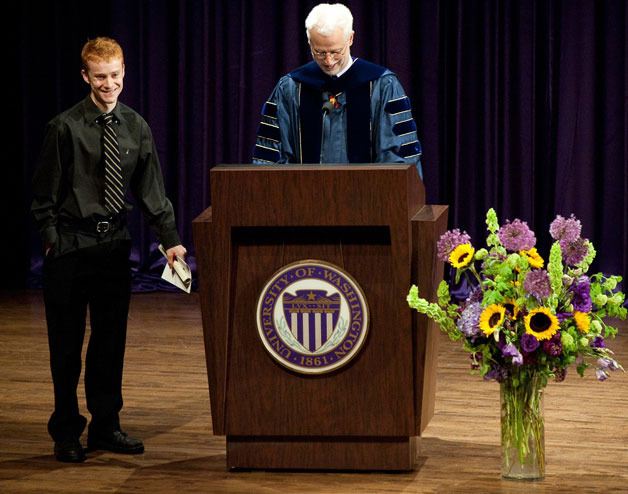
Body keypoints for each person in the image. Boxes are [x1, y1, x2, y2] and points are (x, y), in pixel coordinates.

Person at [31, 37, 187, 463]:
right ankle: (66, 431)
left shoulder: (135, 126)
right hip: (70, 247)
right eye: (100, 77)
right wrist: (51, 239)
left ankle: (105, 426)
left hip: (114, 246)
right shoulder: (64, 127)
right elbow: (44, 193)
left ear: (124, 73)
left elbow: (151, 190)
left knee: (109, 342)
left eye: (115, 75)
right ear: (86, 76)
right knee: (65, 346)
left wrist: (169, 239)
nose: (109, 84)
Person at [252, 2, 422, 177]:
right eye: (319, 52)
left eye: (335, 51)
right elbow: (271, 156)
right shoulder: (290, 88)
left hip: (369, 200)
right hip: (303, 199)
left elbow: (400, 157)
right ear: (309, 42)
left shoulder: (382, 85)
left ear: (350, 39)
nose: (328, 61)